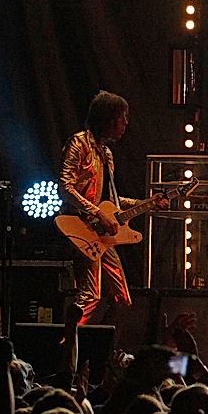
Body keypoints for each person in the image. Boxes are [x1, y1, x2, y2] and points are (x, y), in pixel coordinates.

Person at [59, 91, 168, 324]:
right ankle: (67, 347)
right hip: (77, 226)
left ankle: (102, 348)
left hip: (98, 232)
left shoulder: (106, 154)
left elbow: (112, 203)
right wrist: (96, 212)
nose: (126, 123)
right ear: (108, 119)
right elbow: (64, 188)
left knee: (122, 297)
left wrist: (146, 203)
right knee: (90, 294)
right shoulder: (79, 143)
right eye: (122, 117)